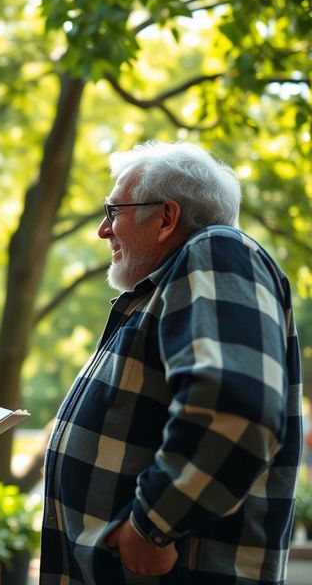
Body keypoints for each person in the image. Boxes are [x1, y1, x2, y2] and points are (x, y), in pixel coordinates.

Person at [40, 140, 302, 584]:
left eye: (113, 212)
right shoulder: (164, 289)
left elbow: (236, 410)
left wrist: (151, 525)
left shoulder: (217, 250)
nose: (104, 231)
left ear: (166, 217)